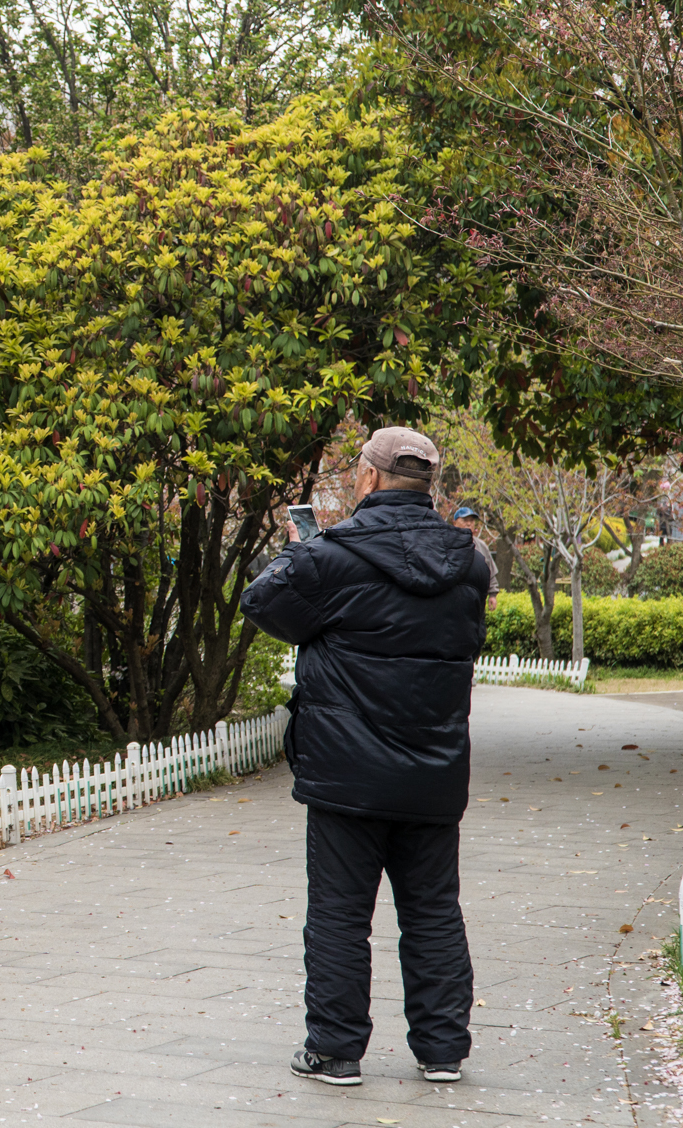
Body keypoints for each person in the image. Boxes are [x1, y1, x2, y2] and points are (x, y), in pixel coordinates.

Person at [243, 427, 490, 1087]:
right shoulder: (470, 563)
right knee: (434, 909)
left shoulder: (332, 555)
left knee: (339, 913)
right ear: (429, 485)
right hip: (434, 769)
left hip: (345, 772)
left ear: (370, 479)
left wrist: (298, 556)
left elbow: (263, 604)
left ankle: (335, 1049)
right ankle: (442, 1050)